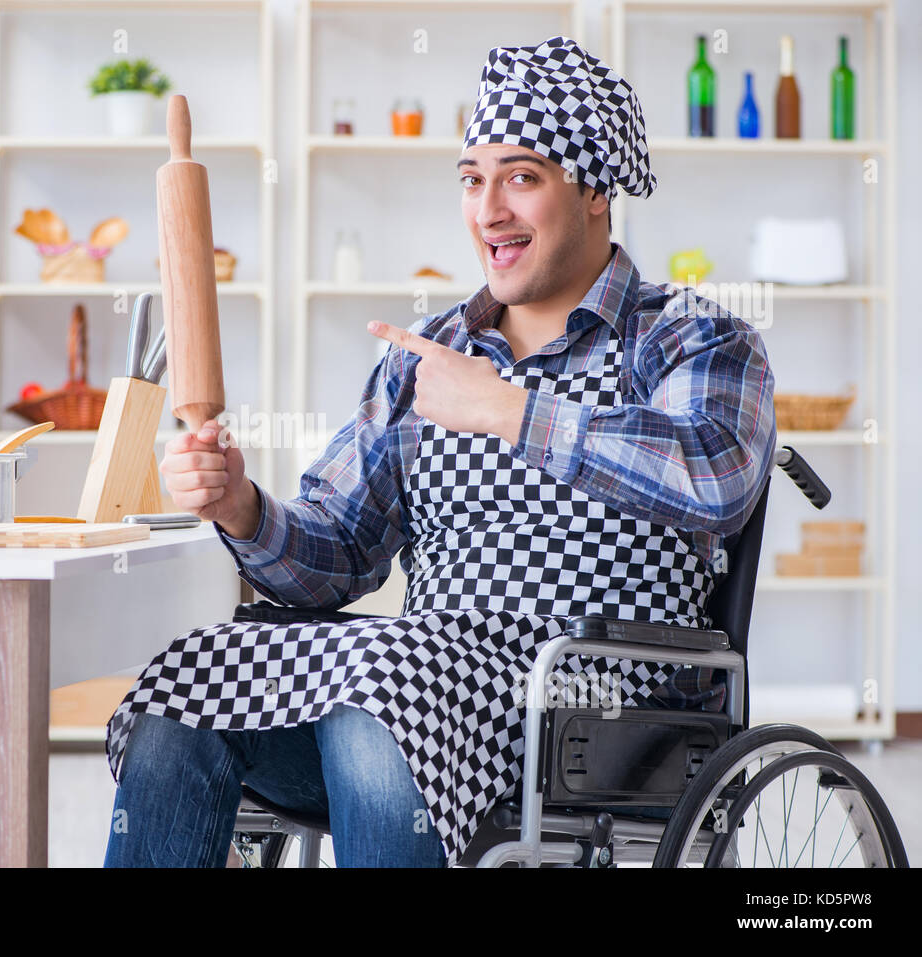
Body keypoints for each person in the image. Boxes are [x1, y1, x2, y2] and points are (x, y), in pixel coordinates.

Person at [103, 35, 775, 868]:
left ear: (597, 188)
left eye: (522, 177)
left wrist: (513, 411)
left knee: (379, 690)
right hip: (419, 692)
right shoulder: (429, 353)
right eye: (472, 179)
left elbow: (716, 477)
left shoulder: (692, 338)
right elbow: (339, 551)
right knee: (189, 687)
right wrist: (242, 504)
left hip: (603, 707)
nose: (488, 209)